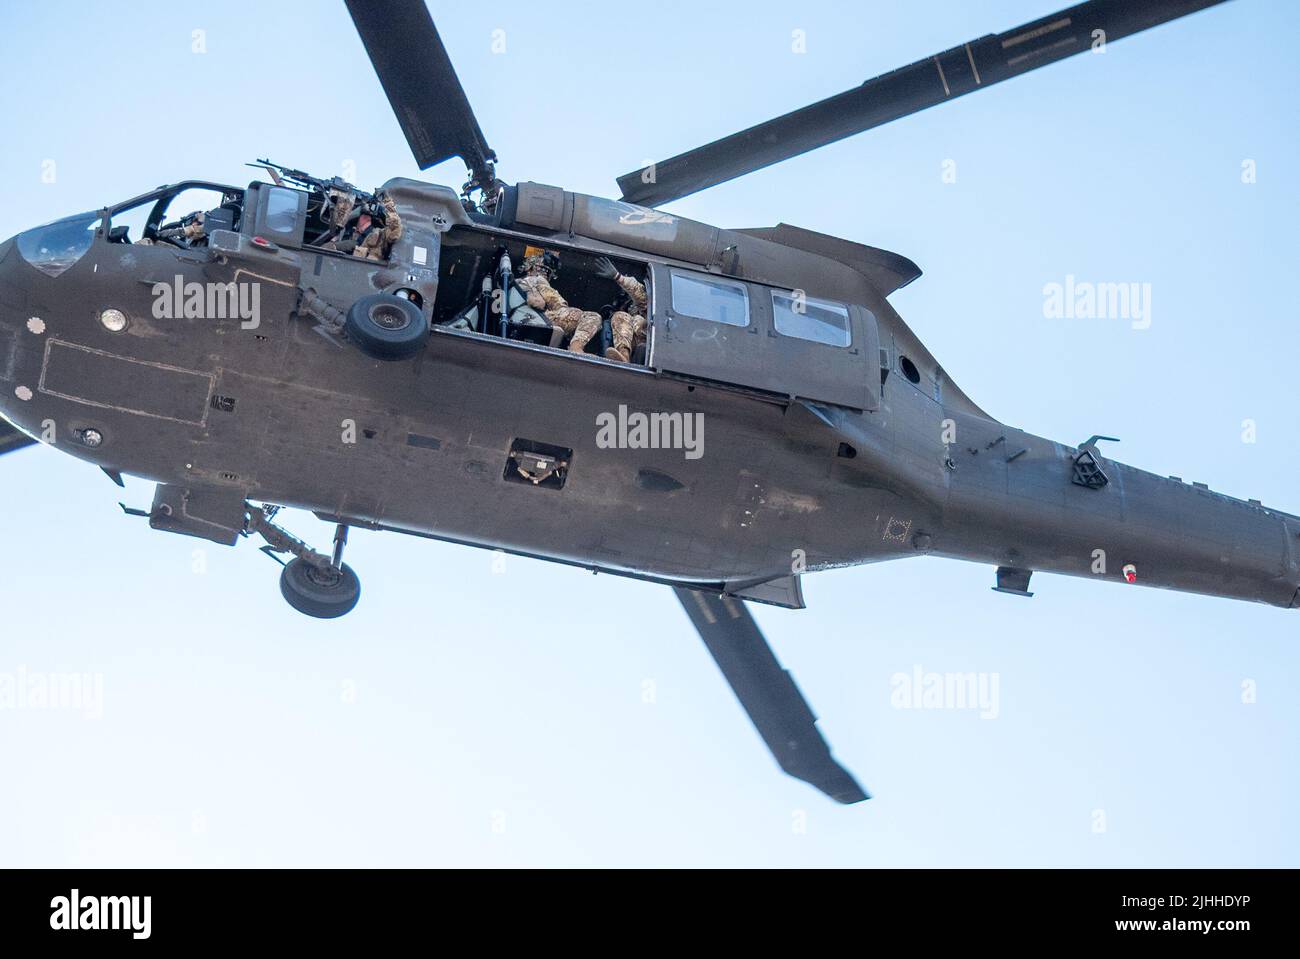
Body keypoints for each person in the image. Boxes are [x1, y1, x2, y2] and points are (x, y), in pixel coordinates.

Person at [516, 249, 602, 355]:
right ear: (531, 268)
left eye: (546, 271)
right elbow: (556, 305)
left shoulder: (517, 283)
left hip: (524, 320)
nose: (544, 273)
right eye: (542, 269)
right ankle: (576, 348)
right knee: (591, 317)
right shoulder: (536, 280)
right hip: (538, 319)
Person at [594, 256, 647, 363]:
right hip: (625, 341)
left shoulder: (647, 303)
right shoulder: (623, 306)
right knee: (617, 317)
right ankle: (622, 357)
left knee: (635, 318)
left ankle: (624, 357)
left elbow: (638, 293)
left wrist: (618, 277)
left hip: (643, 340)